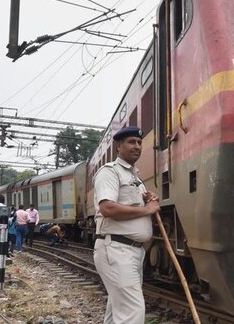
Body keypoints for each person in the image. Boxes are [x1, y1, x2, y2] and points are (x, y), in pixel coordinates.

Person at [93, 126, 160, 324]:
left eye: (139, 143)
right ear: (119, 146)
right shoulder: (110, 172)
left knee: (117, 312)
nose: (137, 146)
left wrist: (150, 200)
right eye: (131, 142)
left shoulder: (136, 178)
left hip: (130, 251)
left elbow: (132, 205)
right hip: (116, 249)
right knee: (132, 313)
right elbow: (108, 208)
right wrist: (147, 210)